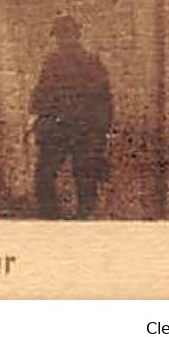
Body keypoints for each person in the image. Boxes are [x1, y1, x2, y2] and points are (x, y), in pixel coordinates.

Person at [30, 14, 113, 219]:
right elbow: (41, 94)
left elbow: (103, 98)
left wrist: (100, 131)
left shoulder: (79, 63)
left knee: (62, 176)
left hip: (70, 129)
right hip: (71, 129)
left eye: (66, 36)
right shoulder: (83, 62)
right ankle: (63, 218)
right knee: (58, 176)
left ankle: (60, 219)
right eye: (61, 36)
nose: (64, 41)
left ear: (75, 36)